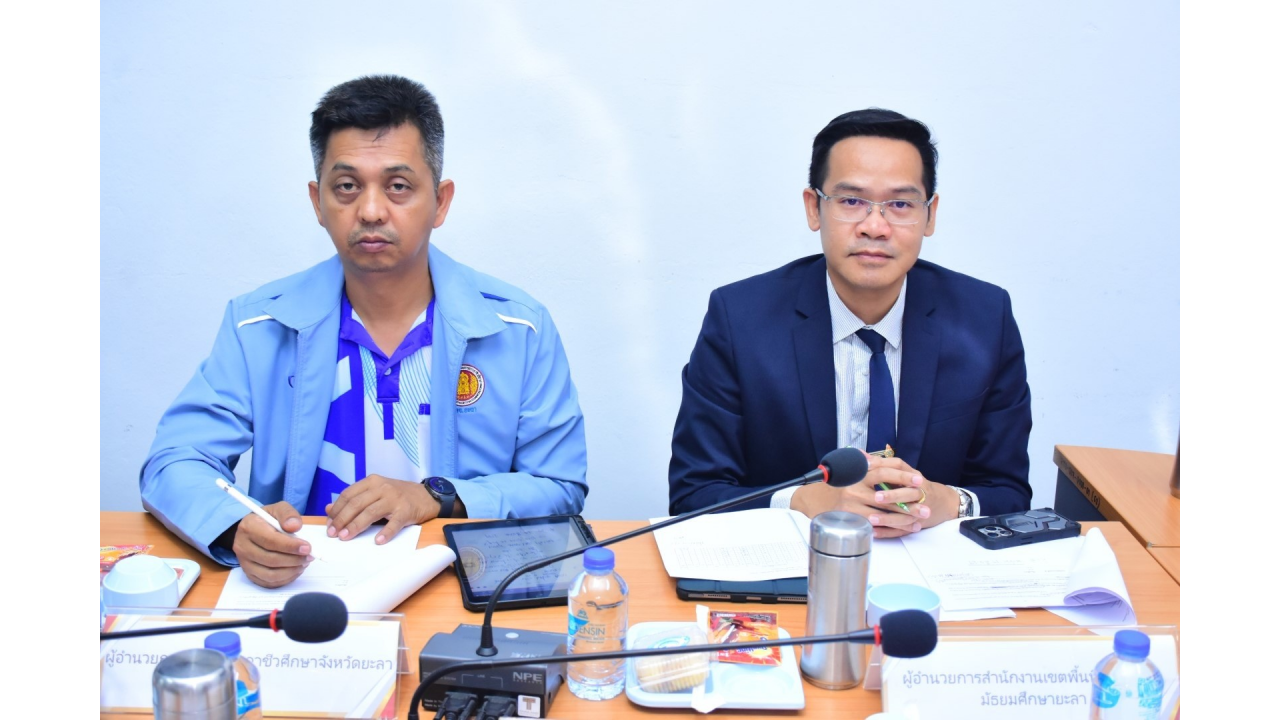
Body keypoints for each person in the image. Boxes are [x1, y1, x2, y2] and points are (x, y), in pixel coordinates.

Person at [141, 75, 588, 586]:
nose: (371, 211)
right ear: (318, 202)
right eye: (347, 187)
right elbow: (174, 461)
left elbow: (559, 486)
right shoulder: (258, 326)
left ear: (441, 202)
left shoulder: (518, 328)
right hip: (303, 586)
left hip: (459, 584)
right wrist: (234, 525)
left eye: (398, 186)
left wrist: (437, 496)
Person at [668, 108, 1031, 538]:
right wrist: (802, 502)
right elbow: (694, 494)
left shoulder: (985, 319)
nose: (875, 227)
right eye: (852, 201)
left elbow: (1009, 491)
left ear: (930, 215)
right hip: (799, 564)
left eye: (900, 204)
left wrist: (949, 501)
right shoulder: (740, 319)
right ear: (814, 208)